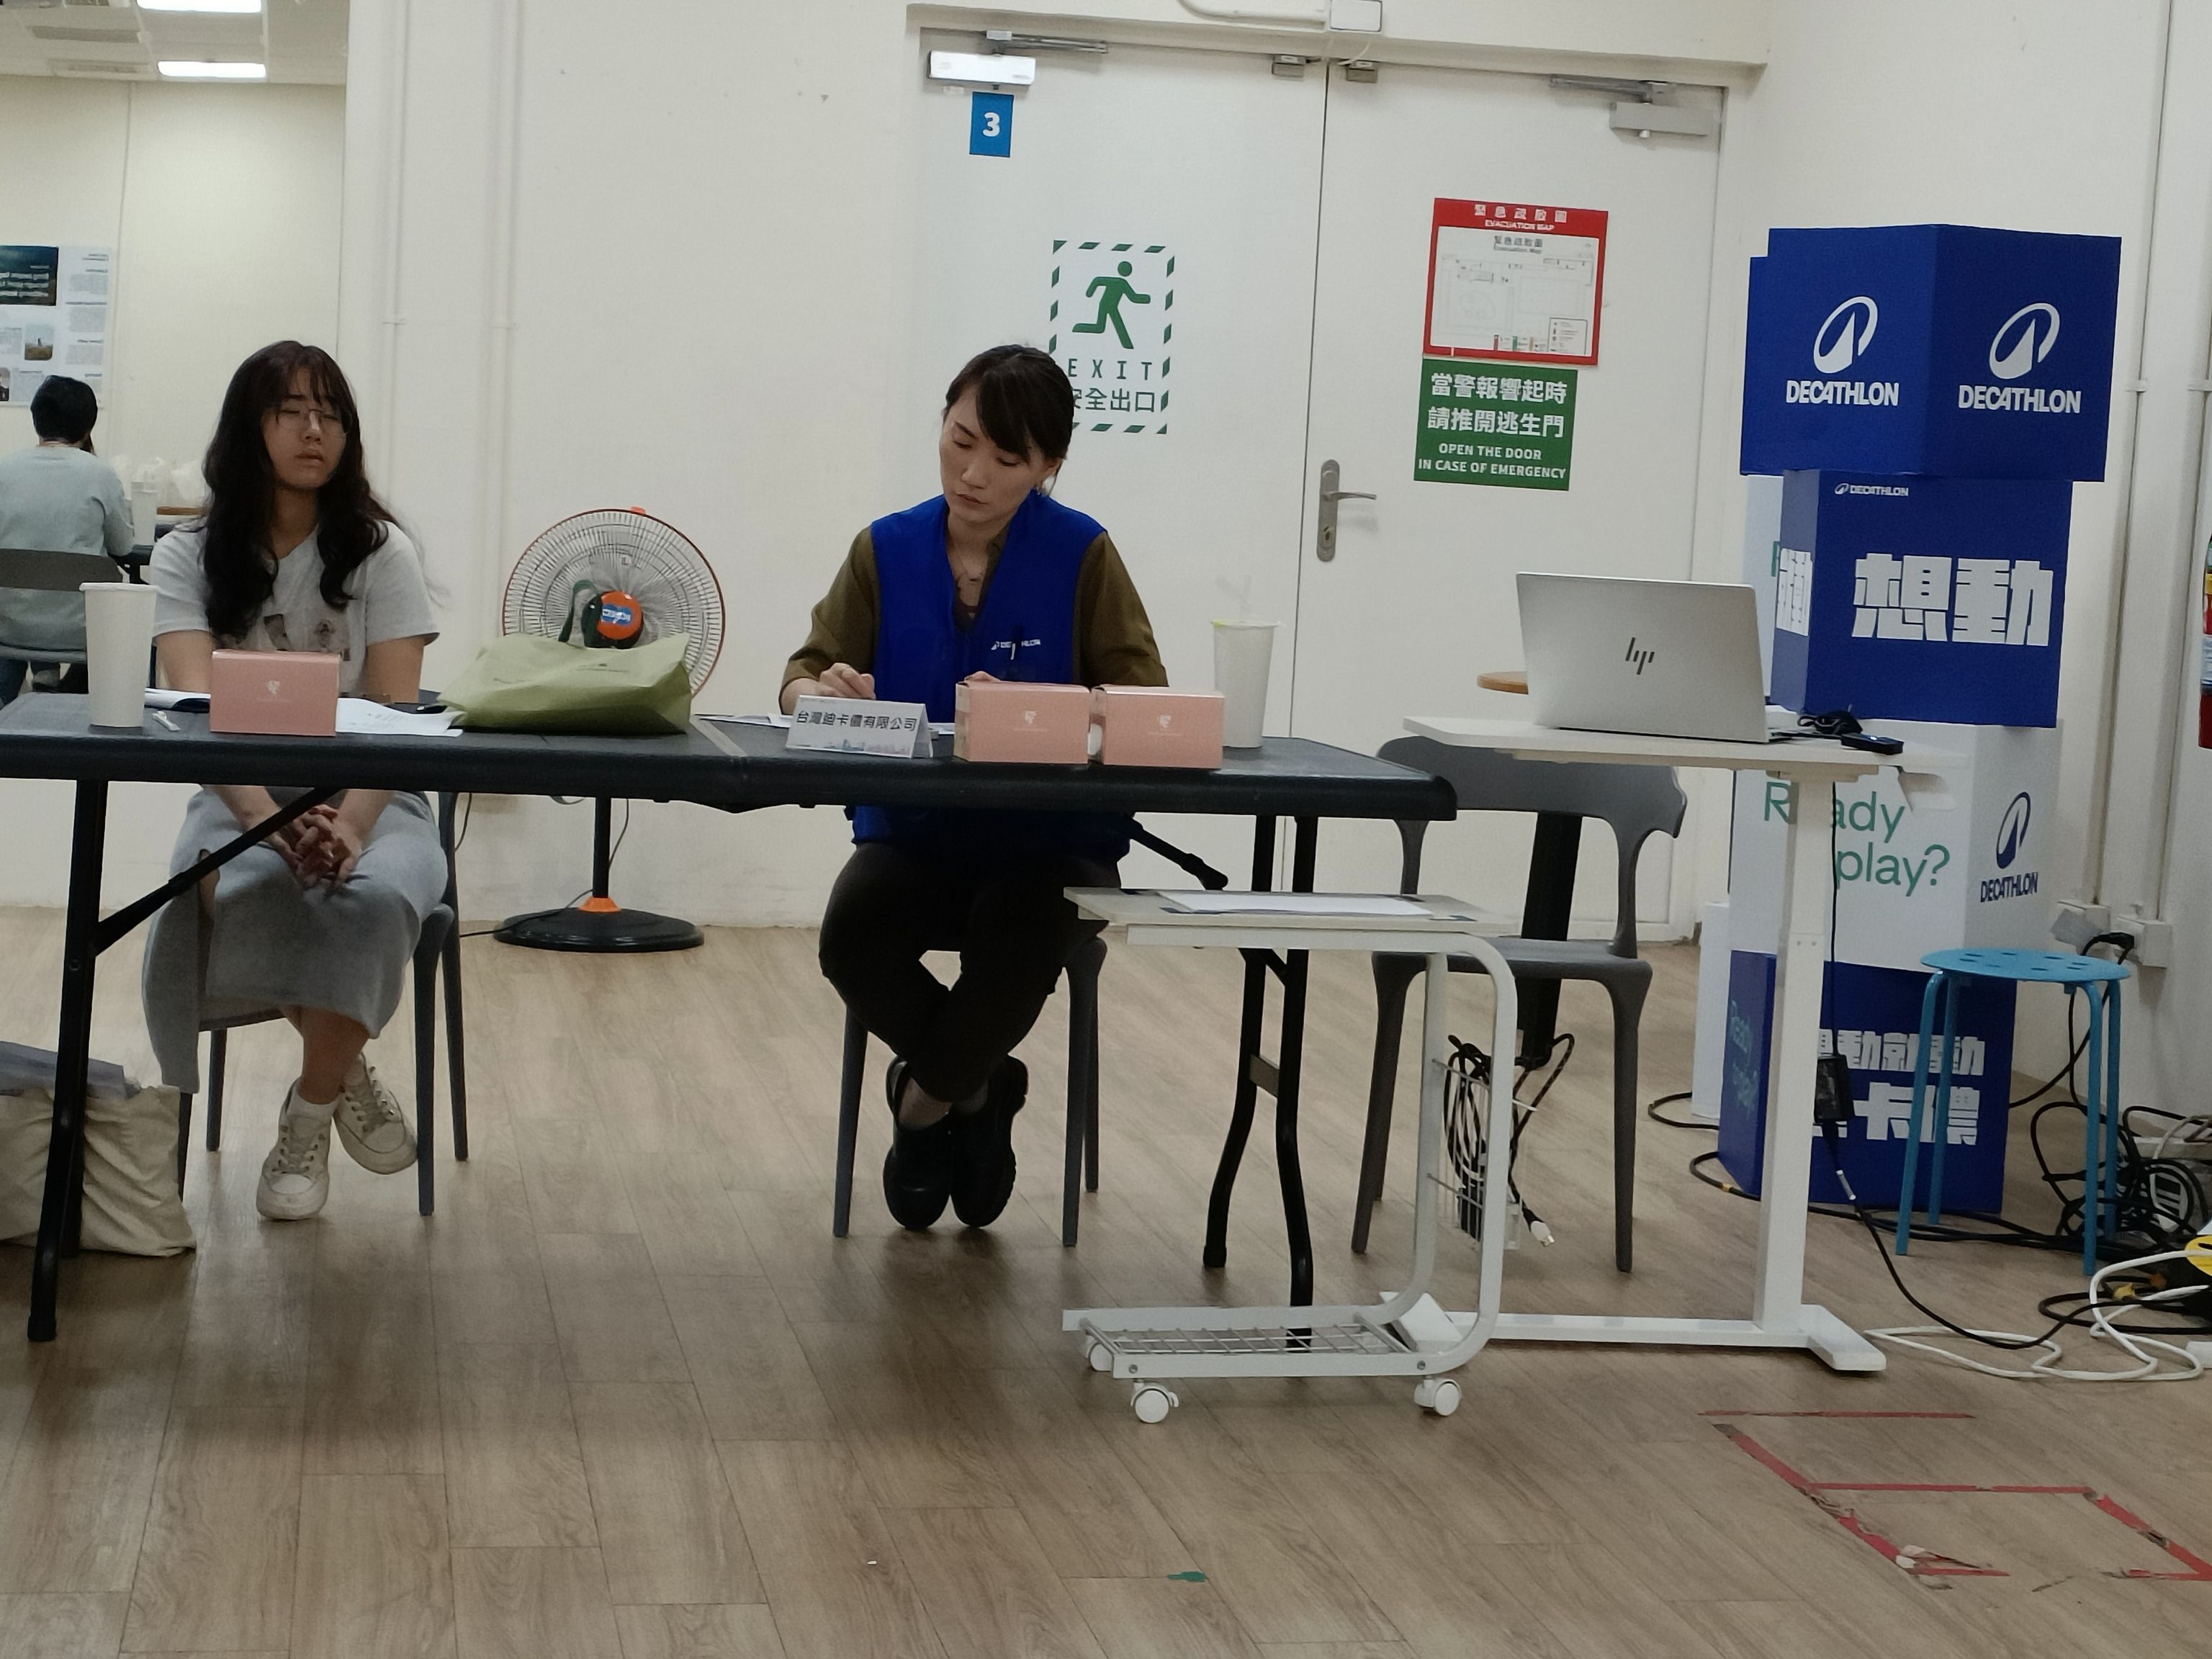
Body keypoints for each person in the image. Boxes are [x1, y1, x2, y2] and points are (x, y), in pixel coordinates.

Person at [784, 344, 1166, 1231]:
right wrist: (822, 692)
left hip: (1052, 844)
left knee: (1020, 937)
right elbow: (801, 675)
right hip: (914, 835)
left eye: (1006, 459)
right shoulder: (884, 548)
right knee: (853, 938)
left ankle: (922, 1107)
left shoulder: (1083, 553)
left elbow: (1144, 701)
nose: (973, 474)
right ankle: (982, 1089)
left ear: (1048, 467)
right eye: (960, 442)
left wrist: (1055, 707)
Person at [142, 341, 446, 1220]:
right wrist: (269, 820)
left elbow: (394, 719)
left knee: (374, 898)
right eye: (292, 411)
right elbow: (197, 712)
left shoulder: (381, 553)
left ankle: (308, 1113)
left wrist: (350, 825)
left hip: (374, 792)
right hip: (235, 789)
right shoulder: (188, 555)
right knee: (249, 888)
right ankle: (347, 1071)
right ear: (250, 427)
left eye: (332, 414)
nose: (316, 430)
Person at [0, 375, 132, 702]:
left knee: (21, 604)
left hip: (8, 625)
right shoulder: (100, 474)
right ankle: (60, 693)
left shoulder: (4, 469)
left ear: (36, 421)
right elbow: (124, 546)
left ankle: (21, 697)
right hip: (81, 630)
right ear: (88, 428)